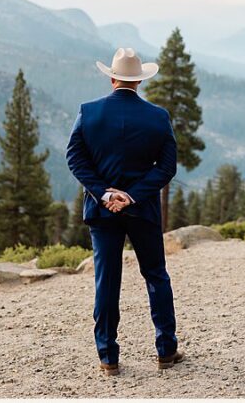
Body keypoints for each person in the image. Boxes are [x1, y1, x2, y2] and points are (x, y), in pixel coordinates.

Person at [66, 48, 185, 375]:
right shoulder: (158, 117)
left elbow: (75, 159)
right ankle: (166, 349)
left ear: (112, 76)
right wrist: (131, 196)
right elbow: (166, 168)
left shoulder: (88, 112)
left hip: (102, 212)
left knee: (107, 281)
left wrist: (104, 193)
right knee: (156, 276)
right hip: (142, 210)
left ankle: (108, 356)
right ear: (139, 81)